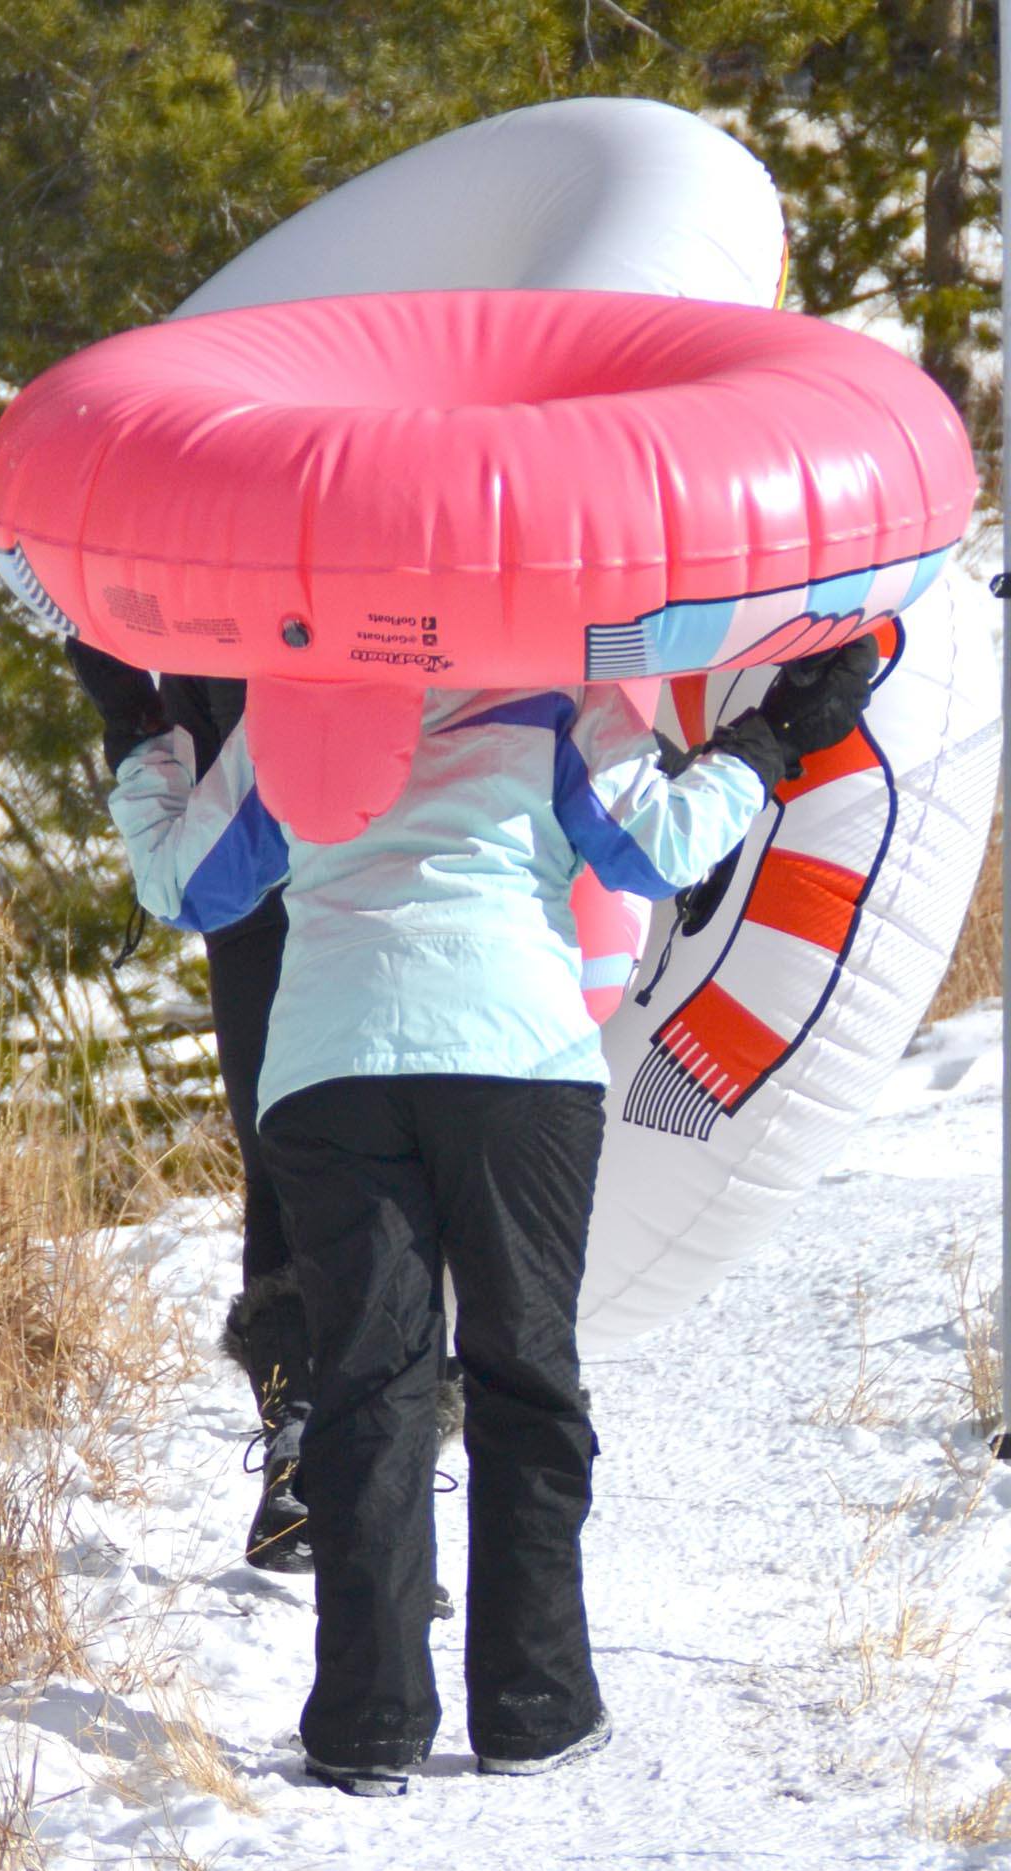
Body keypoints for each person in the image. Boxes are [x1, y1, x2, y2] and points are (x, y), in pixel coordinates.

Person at [80, 631, 878, 1793]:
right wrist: (772, 739)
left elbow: (184, 886)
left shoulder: (299, 700)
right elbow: (658, 852)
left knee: (367, 1384)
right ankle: (535, 1704)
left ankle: (366, 1719)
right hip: (517, 1056)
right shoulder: (558, 680)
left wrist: (136, 723)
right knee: (524, 1370)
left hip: (332, 1062)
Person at [66, 649, 315, 1574]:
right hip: (252, 884)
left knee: (392, 1181)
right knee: (287, 1173)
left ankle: (387, 1492)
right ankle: (296, 1446)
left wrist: (132, 722)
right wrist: (133, 717)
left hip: (390, 887)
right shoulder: (215, 536)